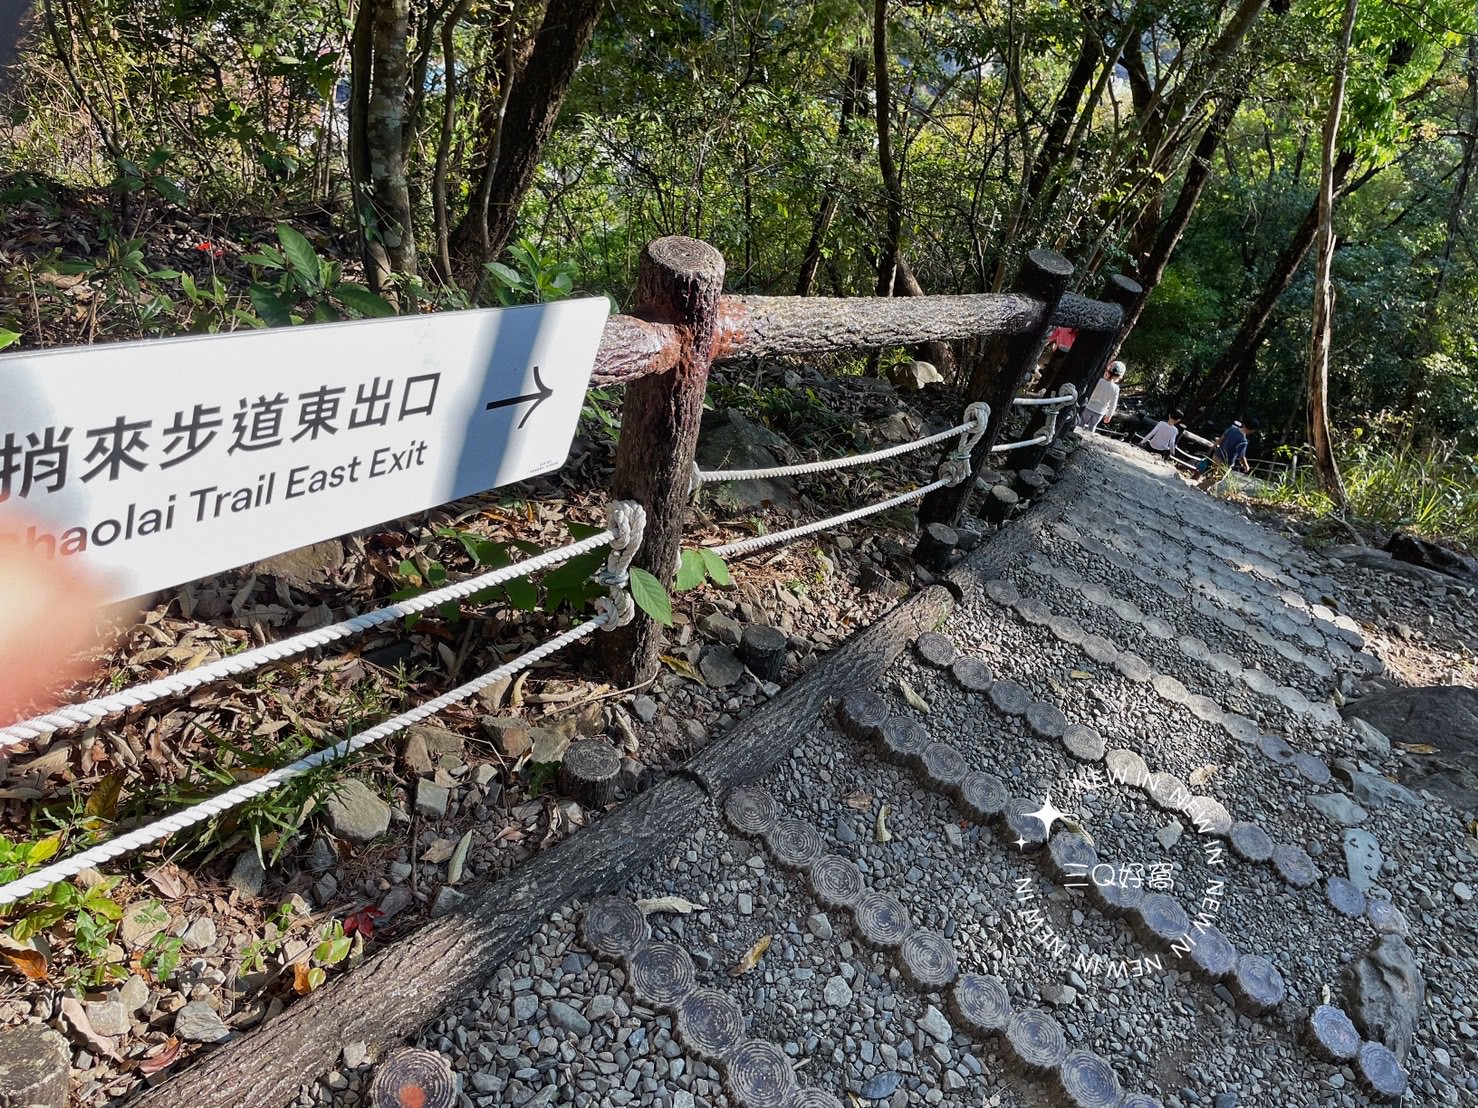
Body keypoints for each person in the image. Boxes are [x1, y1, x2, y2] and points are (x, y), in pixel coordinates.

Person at [1078, 361, 1125, 434]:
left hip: (1089, 406)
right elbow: (1113, 404)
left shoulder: (1098, 381)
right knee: (1093, 426)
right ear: (1119, 377)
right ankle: (1087, 439)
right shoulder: (1116, 388)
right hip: (1101, 411)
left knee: (1081, 423)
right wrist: (1109, 415)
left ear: (1107, 371)